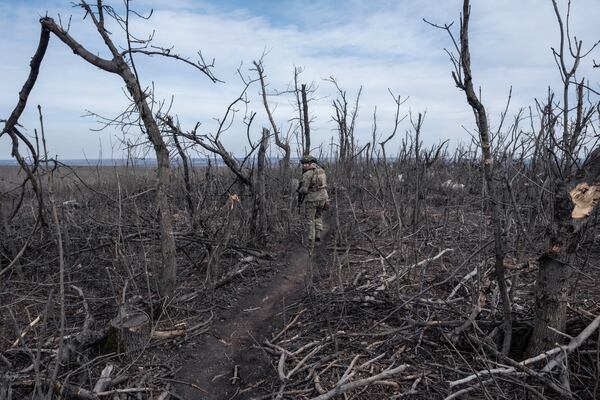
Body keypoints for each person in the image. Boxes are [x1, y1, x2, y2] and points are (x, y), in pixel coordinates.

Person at [297, 155, 329, 249]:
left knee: (310, 220)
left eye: (306, 164)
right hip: (323, 198)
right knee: (318, 215)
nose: (304, 165)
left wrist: (299, 190)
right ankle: (318, 234)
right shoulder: (321, 170)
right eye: (303, 164)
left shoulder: (307, 174)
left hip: (312, 199)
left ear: (311, 163)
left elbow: (304, 190)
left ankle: (310, 243)